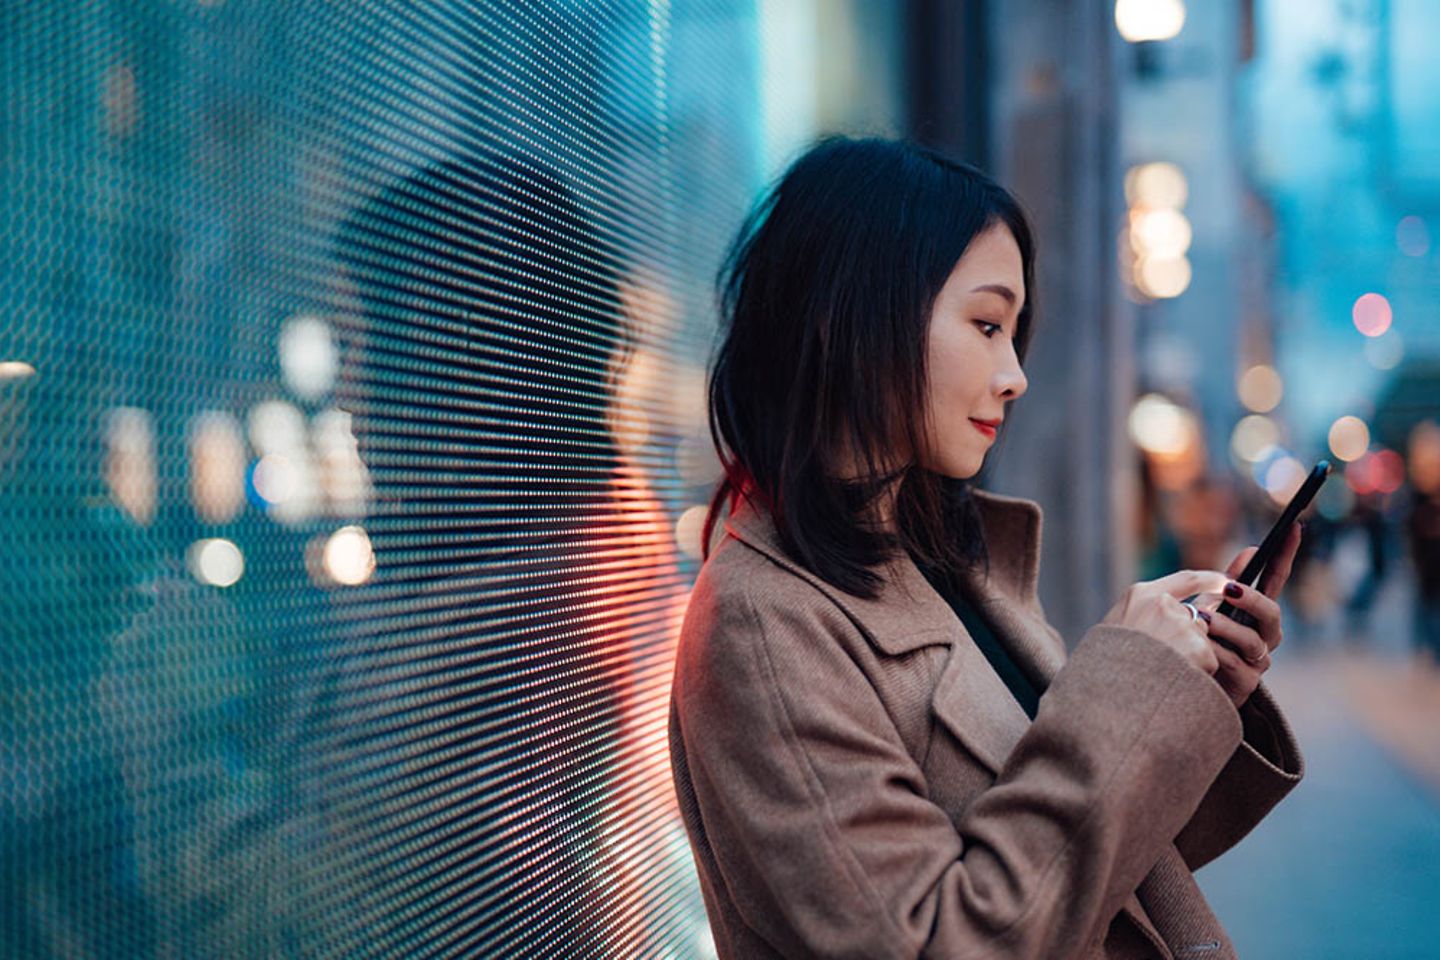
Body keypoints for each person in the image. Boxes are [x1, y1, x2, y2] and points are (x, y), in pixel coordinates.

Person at [667, 136, 1305, 960]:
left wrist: (1190, 688)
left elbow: (1093, 877)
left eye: (1014, 332)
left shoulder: (943, 560)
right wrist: (1127, 684)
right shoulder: (761, 624)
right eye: (985, 324)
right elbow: (944, 942)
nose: (1015, 373)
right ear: (849, 312)